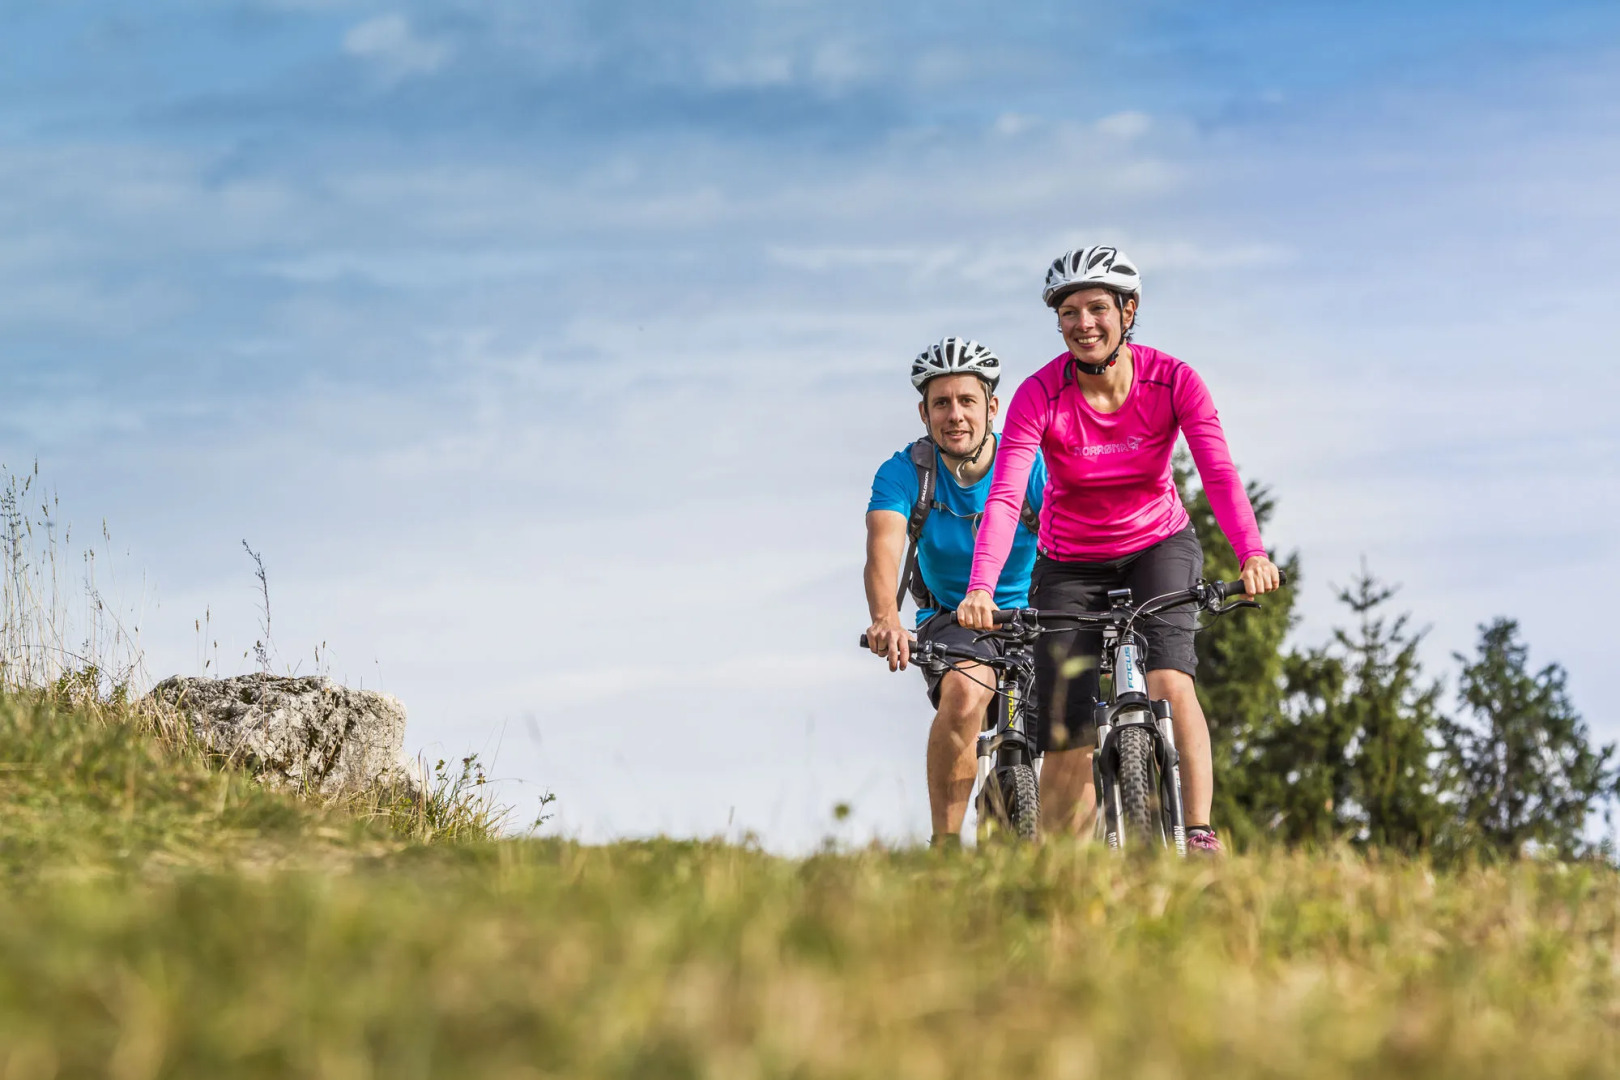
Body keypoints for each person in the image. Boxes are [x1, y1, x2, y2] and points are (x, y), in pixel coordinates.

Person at [955, 246, 1281, 854]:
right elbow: (1004, 497)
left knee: (1168, 678)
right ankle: (1065, 873)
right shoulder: (1038, 395)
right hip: (1069, 562)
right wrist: (981, 585)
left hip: (1157, 544)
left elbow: (1217, 472)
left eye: (1098, 308)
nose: (1084, 323)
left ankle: (1200, 831)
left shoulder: (1174, 379)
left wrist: (1251, 554)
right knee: (1066, 724)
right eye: (1070, 312)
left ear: (1128, 312)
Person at [863, 337, 1048, 847]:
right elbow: (883, 549)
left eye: (967, 401)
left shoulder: (1028, 463)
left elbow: (1071, 533)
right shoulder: (905, 473)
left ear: (991, 407)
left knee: (1068, 734)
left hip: (1038, 613)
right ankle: (944, 850)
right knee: (966, 695)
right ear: (923, 412)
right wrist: (886, 617)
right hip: (954, 618)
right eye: (941, 403)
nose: (955, 415)